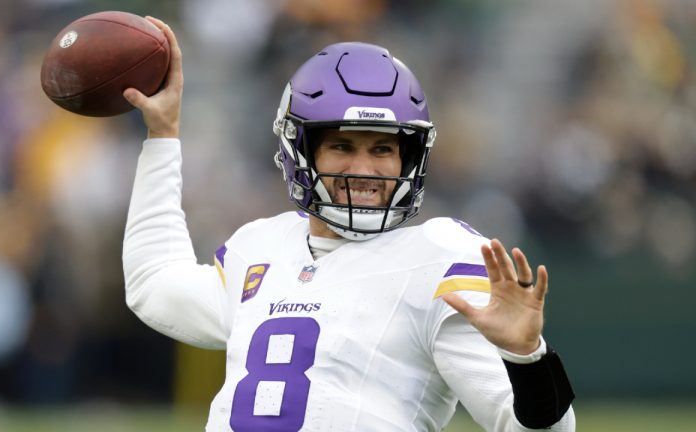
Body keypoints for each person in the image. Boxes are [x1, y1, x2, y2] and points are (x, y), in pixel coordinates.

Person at [122, 17, 576, 431]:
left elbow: (542, 431)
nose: (364, 168)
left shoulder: (437, 257)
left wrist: (527, 360)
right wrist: (163, 135)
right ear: (302, 152)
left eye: (382, 150)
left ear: (408, 159)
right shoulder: (260, 246)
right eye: (342, 146)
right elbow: (153, 284)